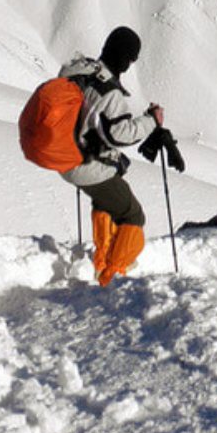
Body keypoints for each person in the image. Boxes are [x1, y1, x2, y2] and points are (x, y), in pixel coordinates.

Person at [59, 25, 184, 286]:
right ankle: (112, 274)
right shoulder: (110, 92)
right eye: (131, 59)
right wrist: (151, 120)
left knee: (106, 201)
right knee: (133, 216)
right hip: (87, 166)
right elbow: (120, 134)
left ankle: (103, 260)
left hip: (65, 155)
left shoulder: (79, 70)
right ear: (126, 59)